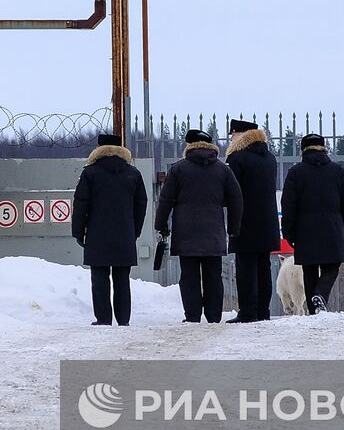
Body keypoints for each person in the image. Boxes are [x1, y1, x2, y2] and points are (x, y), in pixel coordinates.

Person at [155, 129, 243, 323]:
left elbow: (166, 199)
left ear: (189, 146)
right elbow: (236, 198)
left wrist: (161, 225)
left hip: (186, 233)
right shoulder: (222, 169)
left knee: (189, 277)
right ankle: (213, 316)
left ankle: (192, 316)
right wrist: (233, 227)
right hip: (214, 232)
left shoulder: (179, 169)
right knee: (213, 276)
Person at [72, 133, 148, 326]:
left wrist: (79, 232)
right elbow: (141, 204)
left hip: (98, 235)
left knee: (99, 278)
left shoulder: (90, 173)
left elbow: (81, 204)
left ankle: (103, 319)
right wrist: (134, 231)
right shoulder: (133, 173)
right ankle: (123, 320)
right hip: (125, 234)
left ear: (98, 149)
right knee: (122, 278)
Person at [280, 133, 344, 314]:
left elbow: (288, 205)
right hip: (332, 228)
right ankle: (320, 295)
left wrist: (288, 232)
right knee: (332, 266)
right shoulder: (338, 172)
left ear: (303, 150)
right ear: (324, 148)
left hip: (305, 231)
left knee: (310, 269)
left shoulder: (296, 173)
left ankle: (315, 310)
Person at [225, 119, 280, 322]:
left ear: (240, 134)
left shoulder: (237, 159)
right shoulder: (269, 158)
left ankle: (248, 312)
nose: (231, 137)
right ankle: (263, 311)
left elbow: (230, 190)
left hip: (245, 221)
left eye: (233, 133)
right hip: (267, 221)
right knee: (263, 267)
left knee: (246, 268)